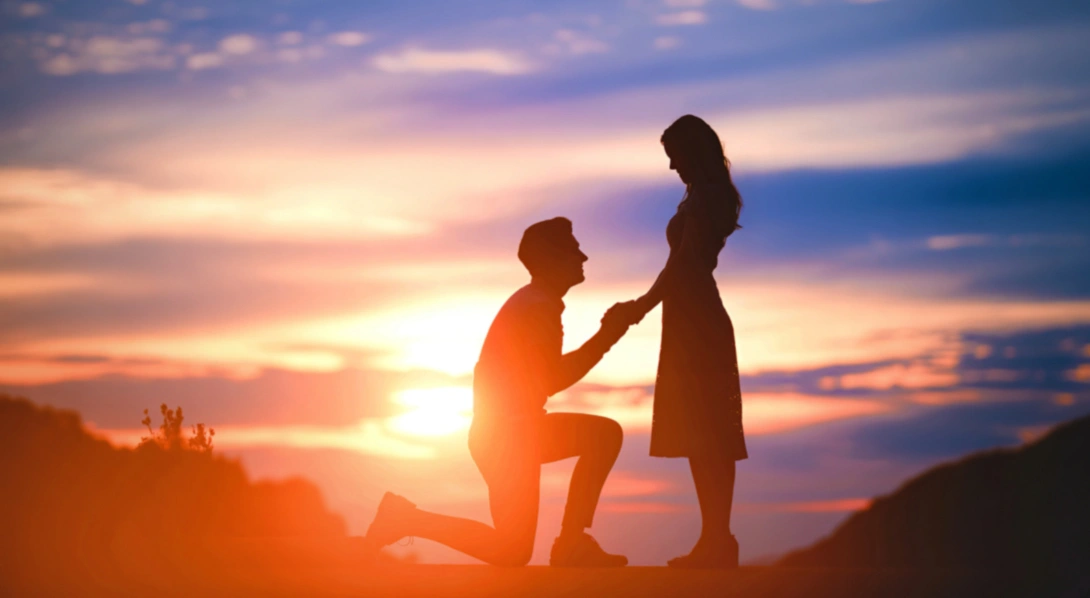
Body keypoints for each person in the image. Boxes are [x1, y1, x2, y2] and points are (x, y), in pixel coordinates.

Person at [365, 217, 632, 567]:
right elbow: (550, 380)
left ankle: (570, 542)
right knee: (603, 437)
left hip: (515, 433)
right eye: (572, 250)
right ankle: (570, 544)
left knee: (513, 550)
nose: (583, 256)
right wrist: (607, 336)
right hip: (509, 435)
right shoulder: (537, 306)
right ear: (550, 260)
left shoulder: (537, 302)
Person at [626, 115, 748, 568]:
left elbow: (682, 266)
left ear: (693, 152)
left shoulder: (707, 197)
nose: (672, 166)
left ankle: (718, 540)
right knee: (701, 436)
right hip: (687, 319)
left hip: (698, 321)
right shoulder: (701, 195)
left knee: (710, 433)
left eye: (675, 157)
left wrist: (639, 306)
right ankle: (715, 539)